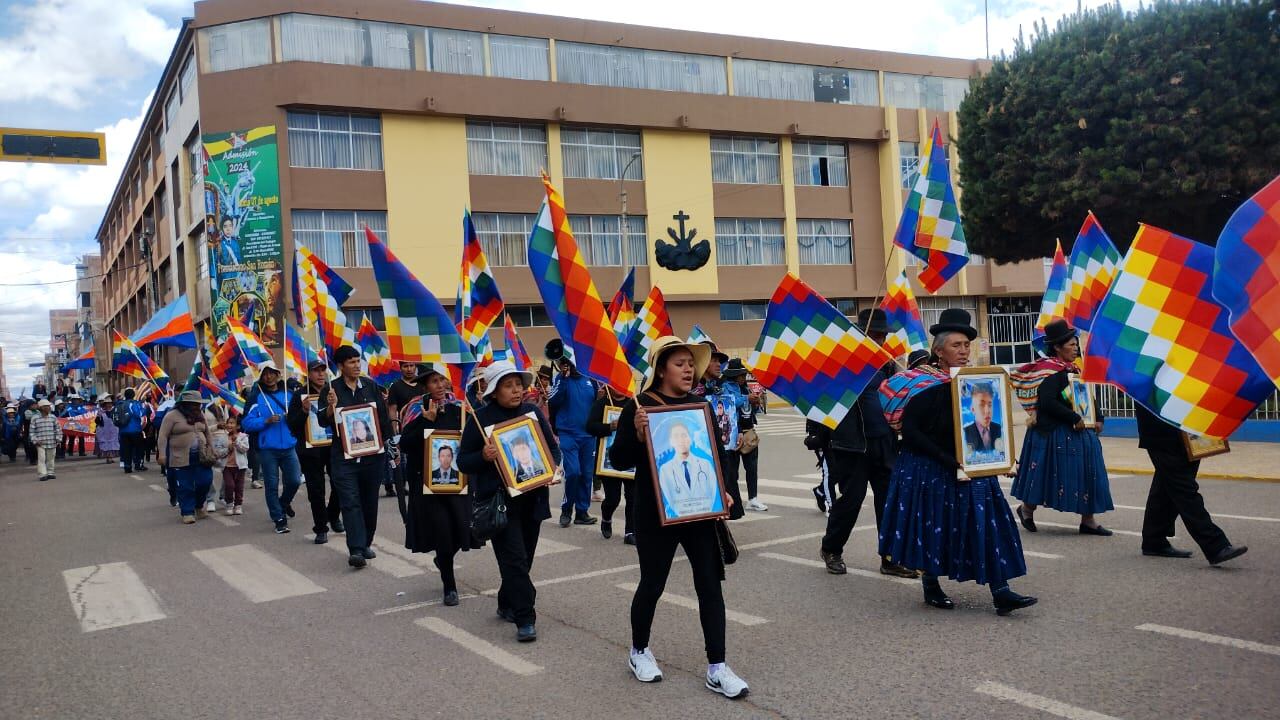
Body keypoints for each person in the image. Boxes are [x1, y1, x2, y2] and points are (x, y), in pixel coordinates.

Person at [609, 336, 749, 698]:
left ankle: (717, 667)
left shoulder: (699, 405)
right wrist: (637, 434)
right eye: (680, 363)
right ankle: (639, 651)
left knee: (709, 586)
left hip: (700, 511)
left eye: (691, 363)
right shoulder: (640, 407)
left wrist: (725, 489)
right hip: (654, 512)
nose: (689, 370)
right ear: (661, 369)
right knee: (652, 584)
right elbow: (620, 460)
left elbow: (717, 453)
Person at [878, 309, 1037, 616]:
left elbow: (987, 425)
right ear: (939, 351)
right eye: (956, 345)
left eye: (966, 345)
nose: (964, 351)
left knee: (989, 525)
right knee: (934, 526)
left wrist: (999, 455)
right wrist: (949, 461)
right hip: (931, 467)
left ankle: (1001, 591)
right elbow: (911, 434)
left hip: (972, 467)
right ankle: (931, 585)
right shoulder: (923, 385)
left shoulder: (978, 383)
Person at [458, 361, 562, 643]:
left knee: (524, 559)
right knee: (514, 560)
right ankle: (525, 618)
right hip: (500, 503)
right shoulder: (480, 419)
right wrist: (483, 456)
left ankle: (507, 602)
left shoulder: (531, 411)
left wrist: (553, 469)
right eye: (508, 385)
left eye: (518, 384)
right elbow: (462, 461)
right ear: (494, 391)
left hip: (533, 499)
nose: (516, 390)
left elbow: (551, 448)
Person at [810, 309, 915, 578]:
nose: (879, 340)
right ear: (861, 334)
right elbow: (821, 401)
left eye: (882, 335)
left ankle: (890, 558)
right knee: (852, 500)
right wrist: (820, 436)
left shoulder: (888, 365)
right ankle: (831, 549)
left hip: (884, 444)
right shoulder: (842, 366)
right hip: (851, 446)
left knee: (888, 502)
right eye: (874, 334)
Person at [1011, 319, 1114, 536]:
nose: (1076, 347)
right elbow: (1047, 402)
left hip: (1080, 431)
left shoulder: (1073, 369)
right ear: (1057, 347)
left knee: (1089, 472)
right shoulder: (1050, 371)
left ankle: (1088, 520)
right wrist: (1073, 416)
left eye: (1076, 343)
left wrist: (1099, 417)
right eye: (1071, 344)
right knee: (1043, 474)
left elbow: (1085, 396)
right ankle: (1027, 509)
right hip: (1054, 433)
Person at [1135, 404, 1248, 565]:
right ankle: (1216, 546)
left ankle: (1154, 540)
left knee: (1165, 488)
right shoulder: (1147, 378)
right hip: (1163, 434)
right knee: (1184, 490)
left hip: (1187, 431)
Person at [401, 363, 472, 606]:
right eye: (434, 381)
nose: (440, 386)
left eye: (443, 380)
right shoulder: (415, 408)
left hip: (458, 481)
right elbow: (406, 445)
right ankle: (449, 586)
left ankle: (443, 560)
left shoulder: (461, 406)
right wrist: (425, 421)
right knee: (442, 530)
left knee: (460, 530)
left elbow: (474, 439)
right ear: (425, 385)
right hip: (428, 483)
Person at [318, 345, 393, 568]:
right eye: (351, 362)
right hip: (343, 457)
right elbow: (323, 421)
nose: (357, 365)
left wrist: (391, 446)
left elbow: (382, 419)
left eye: (358, 361)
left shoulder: (370, 386)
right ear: (341, 366)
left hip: (372, 455)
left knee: (370, 502)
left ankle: (367, 541)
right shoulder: (331, 390)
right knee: (350, 502)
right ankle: (356, 549)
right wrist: (331, 407)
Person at [241, 361, 303, 535]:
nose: (268, 377)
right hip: (267, 449)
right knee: (272, 485)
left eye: (272, 373)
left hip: (290, 446)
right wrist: (265, 421)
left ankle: (283, 504)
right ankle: (279, 519)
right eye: (265, 374)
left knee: (294, 481)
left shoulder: (289, 395)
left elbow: (301, 416)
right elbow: (245, 423)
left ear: (278, 374)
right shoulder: (255, 397)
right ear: (261, 377)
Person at [286, 360, 344, 544]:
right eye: (316, 371)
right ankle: (321, 528)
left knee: (340, 484)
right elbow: (293, 427)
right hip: (310, 451)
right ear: (308, 374)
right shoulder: (299, 396)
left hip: (333, 446)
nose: (320, 374)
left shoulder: (334, 391)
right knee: (316, 490)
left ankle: (333, 515)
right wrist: (303, 412)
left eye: (322, 370)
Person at [546, 339, 598, 528]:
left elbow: (596, 405)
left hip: (588, 436)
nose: (567, 364)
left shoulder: (589, 379)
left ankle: (582, 512)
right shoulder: (559, 379)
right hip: (568, 434)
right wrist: (565, 379)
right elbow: (554, 401)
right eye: (563, 362)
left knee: (586, 474)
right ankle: (567, 509)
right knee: (573, 472)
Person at [157, 391, 216, 524]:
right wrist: (162, 454)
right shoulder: (171, 416)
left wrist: (211, 447)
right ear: (185, 404)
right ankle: (187, 512)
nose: (197, 407)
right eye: (194, 404)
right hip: (180, 457)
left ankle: (199, 505)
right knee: (185, 486)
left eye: (198, 404)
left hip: (202, 456)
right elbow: (162, 436)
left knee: (205, 482)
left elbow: (207, 432)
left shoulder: (200, 415)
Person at [720, 359, 767, 512]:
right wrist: (747, 399)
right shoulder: (726, 387)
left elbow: (751, 410)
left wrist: (755, 403)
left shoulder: (746, 388)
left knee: (752, 468)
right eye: (742, 374)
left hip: (749, 431)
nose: (744, 377)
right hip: (734, 433)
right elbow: (729, 403)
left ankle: (753, 498)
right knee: (732, 471)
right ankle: (733, 499)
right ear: (735, 375)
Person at [587, 389, 634, 543]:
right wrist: (609, 427)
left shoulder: (633, 404)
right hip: (608, 460)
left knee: (632, 497)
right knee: (613, 498)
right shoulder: (601, 404)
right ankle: (606, 518)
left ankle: (630, 532)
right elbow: (590, 427)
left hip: (630, 459)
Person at [962, 383, 1004, 457]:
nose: (987, 411)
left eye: (990, 405)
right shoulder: (965, 433)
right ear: (973, 409)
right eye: (981, 405)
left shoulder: (1000, 429)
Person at [116, 388, 147, 473]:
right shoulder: (134, 404)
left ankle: (127, 466)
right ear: (133, 395)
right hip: (135, 430)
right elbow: (139, 414)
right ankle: (138, 465)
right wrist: (144, 407)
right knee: (139, 448)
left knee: (126, 449)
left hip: (123, 431)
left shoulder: (120, 404)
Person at [30, 399, 61, 481]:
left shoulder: (53, 417)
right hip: (40, 443)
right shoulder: (35, 418)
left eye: (49, 406)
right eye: (46, 406)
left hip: (52, 441)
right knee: (42, 459)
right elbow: (32, 431)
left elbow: (58, 429)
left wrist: (58, 439)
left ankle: (50, 473)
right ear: (41, 408)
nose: (48, 408)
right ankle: (42, 474)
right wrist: (35, 440)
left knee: (51, 458)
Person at [94, 395, 120, 463]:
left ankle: (111, 457)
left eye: (110, 403)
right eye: (107, 403)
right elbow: (96, 421)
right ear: (104, 404)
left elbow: (117, 419)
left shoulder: (115, 410)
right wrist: (99, 417)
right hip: (104, 431)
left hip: (113, 430)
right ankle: (108, 458)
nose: (109, 405)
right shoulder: (101, 411)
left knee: (112, 443)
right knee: (106, 444)